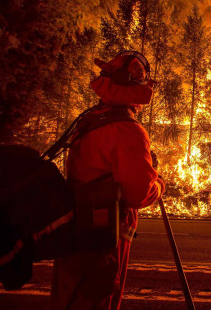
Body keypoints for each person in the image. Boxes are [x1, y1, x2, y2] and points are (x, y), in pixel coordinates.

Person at [50, 51, 164, 310]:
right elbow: (139, 193)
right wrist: (159, 184)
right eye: (143, 80)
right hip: (103, 240)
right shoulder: (128, 130)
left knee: (68, 299)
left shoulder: (91, 120)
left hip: (77, 233)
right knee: (99, 298)